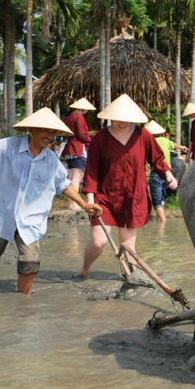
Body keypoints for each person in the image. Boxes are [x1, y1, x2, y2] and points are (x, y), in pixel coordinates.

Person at [0, 108, 101, 294]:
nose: (50, 136)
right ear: (31, 129)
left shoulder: (51, 160)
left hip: (30, 218)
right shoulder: (5, 147)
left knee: (29, 262)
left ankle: (23, 302)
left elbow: (63, 183)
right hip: (1, 214)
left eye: (53, 132)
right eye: (45, 131)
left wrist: (84, 204)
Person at [76, 94, 177, 278]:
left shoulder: (143, 135)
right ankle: (85, 268)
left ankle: (130, 280)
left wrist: (168, 174)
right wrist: (90, 200)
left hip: (133, 198)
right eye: (117, 119)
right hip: (104, 197)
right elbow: (91, 170)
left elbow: (157, 159)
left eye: (126, 120)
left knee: (128, 246)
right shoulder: (100, 138)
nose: (121, 123)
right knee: (99, 242)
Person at [63, 97, 95, 211]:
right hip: (78, 149)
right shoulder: (79, 118)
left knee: (71, 176)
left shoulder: (68, 118)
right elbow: (82, 135)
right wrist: (90, 142)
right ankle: (74, 204)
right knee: (77, 176)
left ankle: (70, 204)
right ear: (83, 109)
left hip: (69, 148)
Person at [145, 120, 173, 223]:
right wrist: (183, 148)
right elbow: (175, 145)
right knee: (161, 196)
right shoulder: (165, 140)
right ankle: (159, 220)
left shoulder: (149, 142)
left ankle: (162, 224)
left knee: (156, 200)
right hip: (167, 172)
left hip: (156, 172)